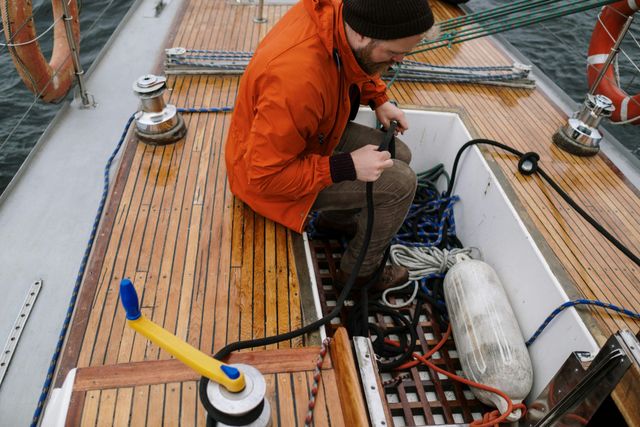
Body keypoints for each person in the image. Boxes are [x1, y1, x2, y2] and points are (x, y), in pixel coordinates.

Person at [225, 0, 434, 291]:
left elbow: (353, 61)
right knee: (400, 183)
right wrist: (345, 166)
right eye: (394, 53)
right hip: (266, 178)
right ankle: (359, 274)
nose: (399, 61)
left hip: (311, 134)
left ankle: (334, 221)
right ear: (362, 34)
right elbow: (263, 178)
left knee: (400, 154)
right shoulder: (296, 81)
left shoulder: (343, 14)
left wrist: (378, 98)